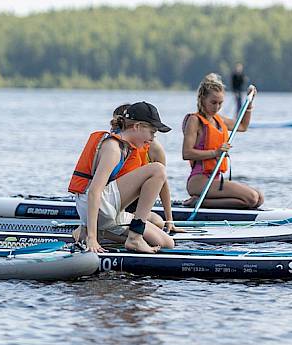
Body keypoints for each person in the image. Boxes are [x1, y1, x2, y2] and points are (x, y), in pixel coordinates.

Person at [69, 102, 175, 253]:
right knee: (158, 169)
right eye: (152, 132)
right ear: (137, 126)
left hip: (107, 211)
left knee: (167, 243)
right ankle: (133, 237)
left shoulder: (126, 147)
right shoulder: (113, 147)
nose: (152, 139)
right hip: (96, 206)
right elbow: (94, 191)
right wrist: (92, 239)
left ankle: (99, 232)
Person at [182, 73, 263, 209]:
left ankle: (201, 202)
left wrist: (249, 103)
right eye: (213, 103)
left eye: (220, 103)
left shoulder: (219, 120)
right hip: (199, 181)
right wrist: (216, 153)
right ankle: (198, 202)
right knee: (252, 198)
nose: (217, 107)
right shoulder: (195, 120)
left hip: (215, 179)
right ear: (202, 99)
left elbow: (242, 126)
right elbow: (187, 153)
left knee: (259, 198)